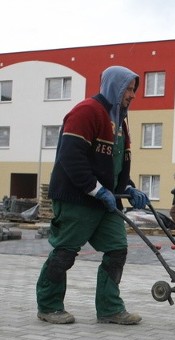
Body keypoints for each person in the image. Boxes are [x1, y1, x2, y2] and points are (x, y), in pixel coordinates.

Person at [35, 65, 149, 325]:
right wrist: (95, 189)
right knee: (65, 252)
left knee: (117, 249)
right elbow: (71, 156)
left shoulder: (120, 121)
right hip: (78, 198)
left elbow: (118, 164)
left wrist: (128, 187)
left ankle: (109, 308)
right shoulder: (87, 111)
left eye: (134, 90)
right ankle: (49, 305)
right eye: (128, 89)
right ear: (114, 87)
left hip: (105, 200)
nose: (132, 95)